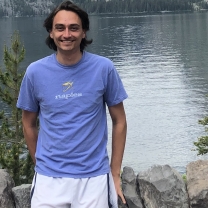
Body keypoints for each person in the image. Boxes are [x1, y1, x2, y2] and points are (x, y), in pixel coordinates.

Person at [17, 1, 128, 207]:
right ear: (51, 32)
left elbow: (119, 121)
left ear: (83, 32)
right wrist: (40, 163)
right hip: (49, 180)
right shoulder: (35, 72)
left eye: (74, 28)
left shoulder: (104, 69)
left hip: (94, 178)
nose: (66, 34)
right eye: (60, 28)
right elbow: (28, 123)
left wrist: (114, 173)